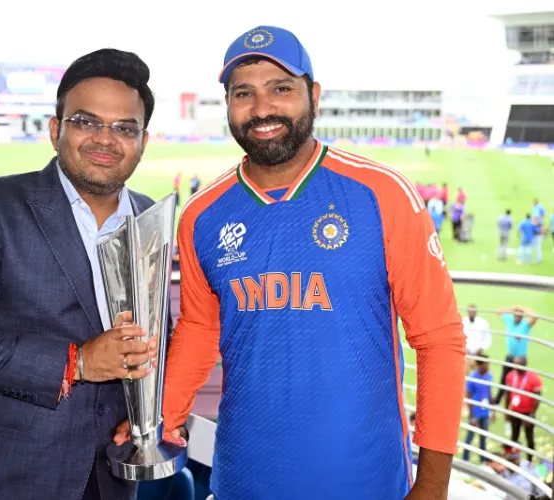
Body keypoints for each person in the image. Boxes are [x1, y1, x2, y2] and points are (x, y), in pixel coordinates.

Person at [116, 25, 466, 499]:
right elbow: (201, 328)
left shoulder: (382, 194)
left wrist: (433, 486)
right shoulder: (201, 214)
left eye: (281, 88)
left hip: (366, 482)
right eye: (244, 93)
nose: (262, 109)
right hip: (243, 479)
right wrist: (160, 418)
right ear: (228, 105)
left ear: (313, 95)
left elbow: (439, 339)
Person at [0, 48, 161, 500]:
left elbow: (150, 333)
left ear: (143, 140)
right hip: (7, 475)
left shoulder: (148, 217)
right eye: (86, 122)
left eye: (124, 127)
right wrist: (80, 362)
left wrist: (148, 406)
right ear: (56, 130)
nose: (105, 139)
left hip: (111, 476)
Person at [493, 306, 538, 405]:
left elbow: (535, 316)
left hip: (521, 358)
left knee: (519, 380)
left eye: (519, 315)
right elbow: (498, 311)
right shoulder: (509, 319)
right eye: (516, 315)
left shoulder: (525, 324)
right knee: (504, 379)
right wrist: (513, 309)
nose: (517, 316)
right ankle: (498, 400)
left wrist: (523, 309)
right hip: (510, 356)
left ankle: (519, 402)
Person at [504, 356, 542, 461]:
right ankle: (513, 460)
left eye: (518, 364)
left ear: (525, 364)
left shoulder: (533, 378)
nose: (515, 366)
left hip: (528, 413)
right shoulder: (510, 376)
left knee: (529, 438)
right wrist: (506, 411)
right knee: (514, 438)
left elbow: (537, 398)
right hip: (515, 412)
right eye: (514, 364)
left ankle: (530, 461)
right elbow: (507, 395)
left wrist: (532, 414)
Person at [462, 355, 494, 462]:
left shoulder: (489, 376)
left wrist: (492, 411)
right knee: (469, 437)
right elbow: (468, 396)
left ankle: (482, 461)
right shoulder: (472, 378)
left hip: (485, 412)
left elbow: (489, 392)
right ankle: (465, 460)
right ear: (479, 365)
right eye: (486, 364)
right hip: (475, 412)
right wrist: (472, 415)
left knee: (483, 438)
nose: (488, 366)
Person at [462, 304, 491, 375]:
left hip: (478, 356)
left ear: (476, 312)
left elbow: (487, 338)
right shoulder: (462, 322)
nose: (471, 313)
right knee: (464, 376)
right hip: (466, 355)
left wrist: (480, 349)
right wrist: (464, 349)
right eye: (470, 311)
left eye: (473, 312)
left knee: (480, 375)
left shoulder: (483, 323)